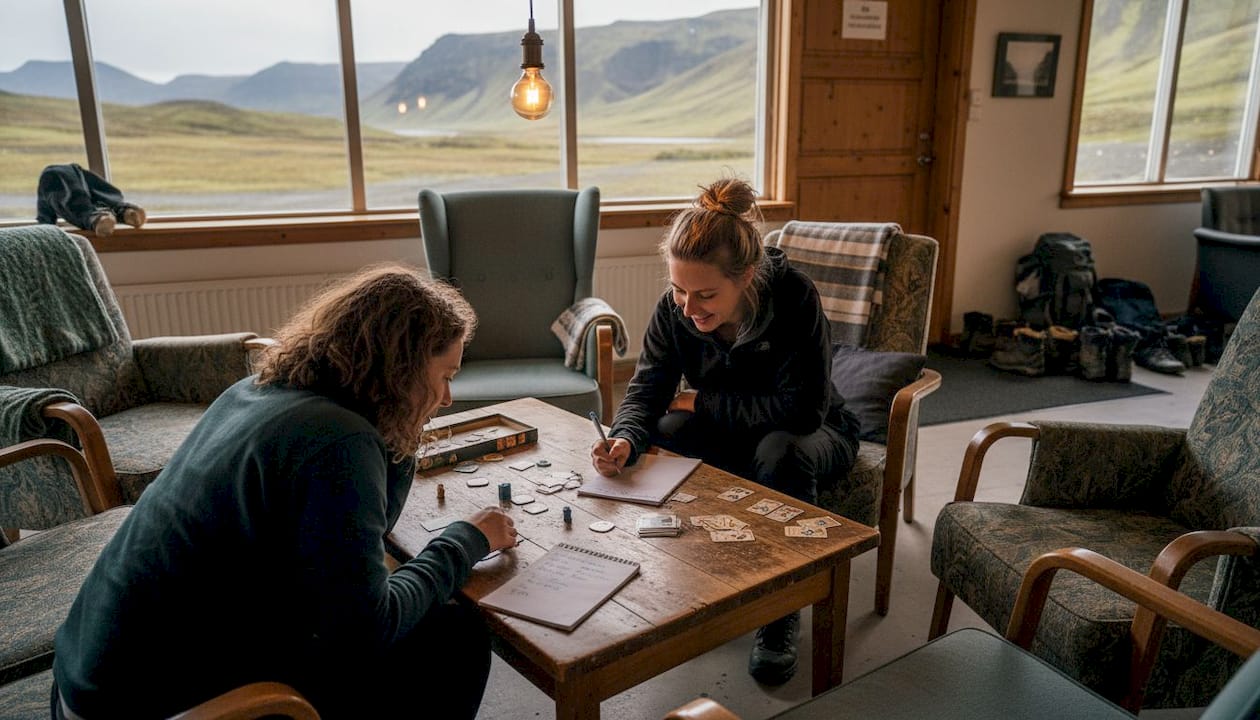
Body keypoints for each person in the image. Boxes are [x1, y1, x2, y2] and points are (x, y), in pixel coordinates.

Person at [52, 265, 517, 719]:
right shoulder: (340, 443)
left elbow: (361, 541)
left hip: (84, 681)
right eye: (446, 376)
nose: (448, 398)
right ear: (402, 370)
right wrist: (465, 540)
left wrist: (401, 435)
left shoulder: (254, 391)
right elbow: (368, 630)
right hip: (147, 706)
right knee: (455, 638)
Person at [590, 177, 860, 686]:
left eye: (706, 294)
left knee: (779, 451)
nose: (688, 308)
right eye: (678, 290)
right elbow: (648, 388)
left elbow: (802, 412)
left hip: (819, 432)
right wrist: (625, 437)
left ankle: (779, 614)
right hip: (745, 427)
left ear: (748, 278)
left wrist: (706, 401)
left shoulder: (795, 297)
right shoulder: (678, 307)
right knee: (664, 430)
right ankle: (699, 575)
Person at [36, 163, 147, 237]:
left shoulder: (47, 184)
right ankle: (124, 211)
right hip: (76, 170)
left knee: (72, 202)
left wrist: (45, 223)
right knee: (99, 194)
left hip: (53, 177)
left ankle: (96, 219)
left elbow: (45, 217)